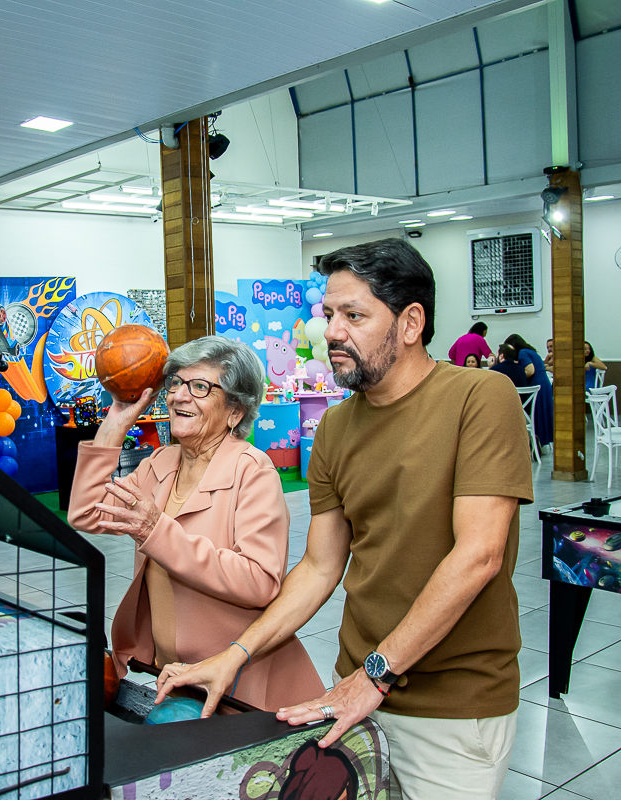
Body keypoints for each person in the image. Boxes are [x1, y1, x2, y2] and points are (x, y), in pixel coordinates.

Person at [158, 239, 534, 800]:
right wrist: (234, 656)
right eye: (329, 314)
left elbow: (479, 555)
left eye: (353, 316)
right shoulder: (335, 429)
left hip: (452, 703)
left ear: (411, 323)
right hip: (353, 689)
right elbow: (319, 566)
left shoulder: (480, 397)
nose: (332, 332)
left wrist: (376, 676)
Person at [68, 336, 324, 712]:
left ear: (235, 411)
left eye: (200, 387)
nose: (179, 396)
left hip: (242, 687)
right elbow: (87, 511)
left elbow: (259, 581)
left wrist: (157, 531)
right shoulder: (160, 463)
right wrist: (117, 419)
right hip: (178, 679)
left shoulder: (252, 472)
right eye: (176, 383)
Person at [505, 334, 553, 452]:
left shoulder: (523, 353)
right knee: (542, 414)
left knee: (536, 414)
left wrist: (518, 377)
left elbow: (530, 370)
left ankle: (536, 444)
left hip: (536, 384)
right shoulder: (531, 351)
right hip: (544, 384)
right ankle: (542, 444)